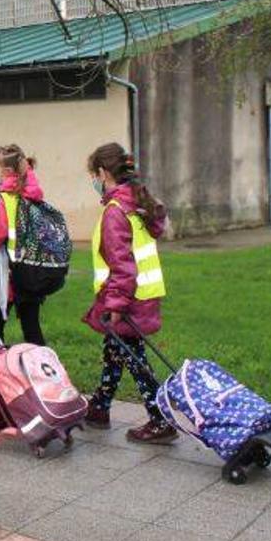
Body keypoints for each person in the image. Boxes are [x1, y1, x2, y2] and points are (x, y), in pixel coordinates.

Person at [82, 142, 177, 443]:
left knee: (135, 358)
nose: (93, 182)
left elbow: (122, 265)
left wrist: (116, 304)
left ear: (102, 173)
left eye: (93, 175)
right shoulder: (138, 203)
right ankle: (100, 405)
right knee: (116, 350)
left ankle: (160, 419)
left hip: (128, 298)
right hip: (143, 294)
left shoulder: (116, 211)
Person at [0, 144, 50, 400]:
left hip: (7, 276)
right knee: (32, 327)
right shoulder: (34, 196)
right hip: (33, 273)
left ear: (5, 170)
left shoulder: (4, 197)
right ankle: (46, 376)